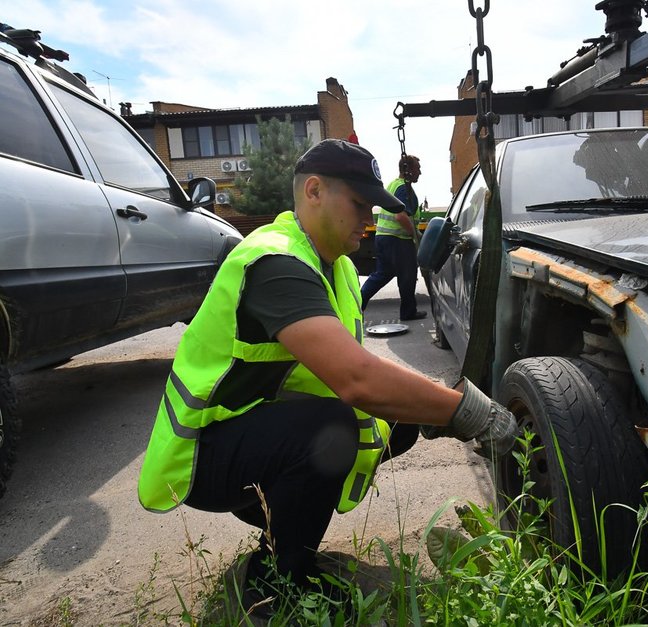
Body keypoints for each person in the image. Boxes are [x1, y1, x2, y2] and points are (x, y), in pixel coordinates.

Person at [136, 138, 517, 616]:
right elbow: (357, 380)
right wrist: (470, 412)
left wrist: (434, 404)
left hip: (250, 432)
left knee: (395, 422)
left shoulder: (332, 267)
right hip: (201, 454)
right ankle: (277, 578)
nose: (369, 219)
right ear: (313, 190)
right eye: (360, 204)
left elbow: (361, 372)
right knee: (332, 425)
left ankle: (287, 530)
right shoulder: (276, 263)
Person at [359, 154, 426, 320]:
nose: (420, 172)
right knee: (408, 275)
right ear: (407, 170)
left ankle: (358, 303)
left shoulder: (394, 185)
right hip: (398, 240)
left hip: (384, 238)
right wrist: (415, 234)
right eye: (417, 168)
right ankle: (408, 312)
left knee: (383, 274)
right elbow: (400, 216)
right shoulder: (404, 188)